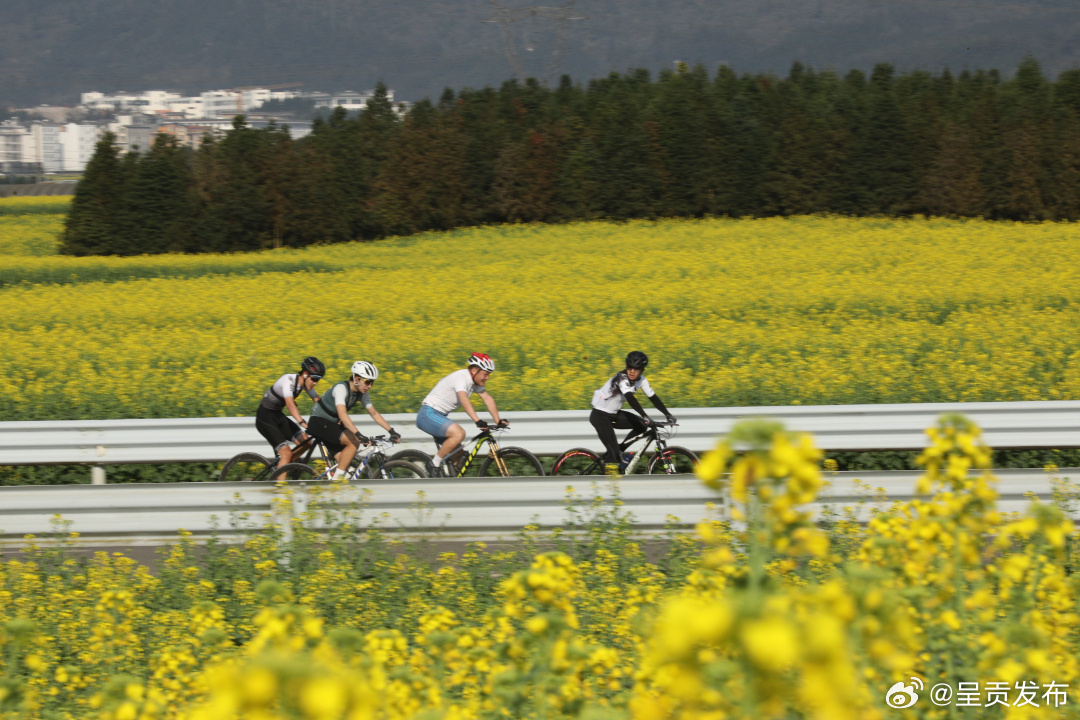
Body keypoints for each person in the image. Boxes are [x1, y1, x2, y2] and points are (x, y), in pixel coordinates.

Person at [416, 353, 508, 477]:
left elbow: (487, 398)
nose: (487, 378)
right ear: (474, 370)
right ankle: (434, 464)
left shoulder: (473, 382)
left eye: (489, 375)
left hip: (440, 416)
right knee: (459, 433)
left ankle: (450, 484)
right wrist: (477, 420)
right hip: (428, 414)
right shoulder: (461, 378)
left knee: (460, 455)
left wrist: (498, 420)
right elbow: (464, 400)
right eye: (485, 374)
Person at [307, 361, 401, 481]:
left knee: (347, 466)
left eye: (372, 382)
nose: (370, 386)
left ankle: (337, 487)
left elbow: (374, 413)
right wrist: (358, 435)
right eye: (367, 382)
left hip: (331, 425)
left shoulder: (361, 393)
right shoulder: (341, 388)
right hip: (318, 422)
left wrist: (391, 431)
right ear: (356, 379)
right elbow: (342, 414)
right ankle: (336, 482)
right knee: (354, 442)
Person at [590, 351, 677, 476]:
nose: (632, 371)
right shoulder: (621, 378)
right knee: (613, 452)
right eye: (629, 368)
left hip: (614, 414)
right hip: (600, 415)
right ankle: (609, 475)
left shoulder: (641, 380)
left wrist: (667, 414)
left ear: (642, 370)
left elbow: (653, 397)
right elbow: (630, 398)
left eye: (636, 369)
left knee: (642, 426)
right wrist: (645, 416)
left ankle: (620, 450)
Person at [256, 356, 324, 469]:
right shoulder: (289, 380)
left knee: (306, 442)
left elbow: (318, 401)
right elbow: (290, 405)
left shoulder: (306, 384)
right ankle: (280, 484)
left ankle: (284, 466)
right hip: (265, 418)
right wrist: (303, 423)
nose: (315, 383)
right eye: (314, 379)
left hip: (278, 416)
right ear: (306, 374)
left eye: (318, 380)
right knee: (286, 453)